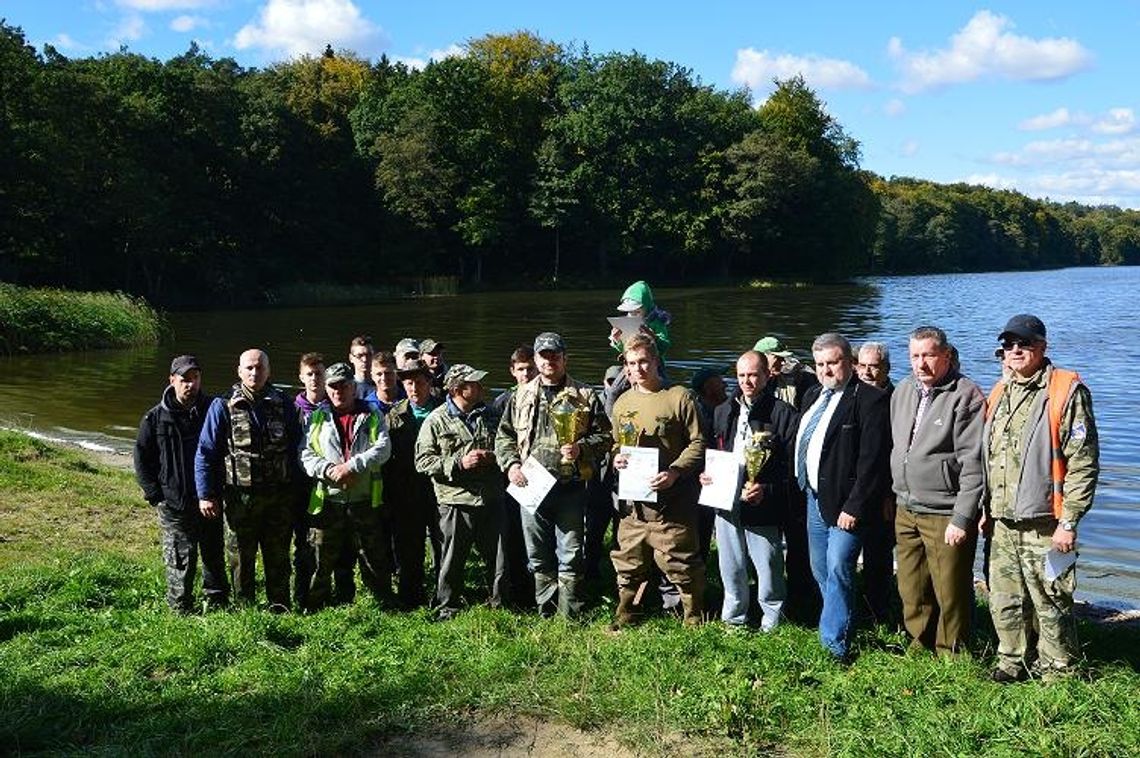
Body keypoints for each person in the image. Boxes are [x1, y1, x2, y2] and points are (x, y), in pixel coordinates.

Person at [984, 314, 1099, 682]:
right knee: (1005, 598)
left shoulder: (1066, 391)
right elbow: (990, 455)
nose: (1016, 350)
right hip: (1003, 521)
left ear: (1042, 347)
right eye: (1009, 345)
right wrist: (987, 508)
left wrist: (1069, 522)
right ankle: (1011, 662)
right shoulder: (1000, 391)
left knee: (1052, 599)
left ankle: (1059, 671)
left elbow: (1083, 462)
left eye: (1024, 343)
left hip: (1048, 524)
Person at [496, 332, 611, 617]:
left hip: (570, 486)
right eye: (544, 356)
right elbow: (504, 435)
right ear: (535, 359)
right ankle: (546, 611)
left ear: (564, 358)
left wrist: (582, 448)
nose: (550, 361)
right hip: (530, 484)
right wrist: (511, 465)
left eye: (555, 355)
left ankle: (570, 613)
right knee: (537, 554)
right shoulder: (520, 395)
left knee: (571, 552)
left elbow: (606, 436)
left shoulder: (585, 394)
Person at [794, 333, 890, 660]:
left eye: (832, 363)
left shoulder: (869, 400)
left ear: (849, 362)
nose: (826, 370)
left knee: (838, 567)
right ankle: (842, 619)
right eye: (820, 364)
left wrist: (855, 506)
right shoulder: (811, 396)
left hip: (846, 506)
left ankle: (834, 646)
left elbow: (873, 462)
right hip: (813, 500)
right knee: (820, 568)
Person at [890, 327, 985, 654]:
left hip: (945, 512)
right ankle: (921, 644)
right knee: (911, 587)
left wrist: (962, 517)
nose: (921, 364)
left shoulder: (966, 394)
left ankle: (953, 656)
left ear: (946, 355)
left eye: (929, 355)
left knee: (950, 591)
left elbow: (973, 463)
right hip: (906, 508)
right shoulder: (902, 390)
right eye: (915, 356)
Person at [609, 334, 706, 628]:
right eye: (631, 364)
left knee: (682, 565)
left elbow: (699, 442)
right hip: (634, 506)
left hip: (672, 505)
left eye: (643, 362)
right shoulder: (623, 402)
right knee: (628, 564)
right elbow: (616, 443)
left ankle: (694, 619)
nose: (638, 369)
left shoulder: (679, 397)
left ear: (655, 361)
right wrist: (616, 458)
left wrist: (675, 471)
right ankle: (626, 615)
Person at [195, 349, 301, 611]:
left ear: (268, 371)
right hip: (239, 497)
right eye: (250, 368)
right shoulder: (222, 405)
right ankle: (246, 609)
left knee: (278, 555)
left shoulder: (285, 404)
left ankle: (280, 606)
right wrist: (205, 493)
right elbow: (206, 451)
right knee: (241, 557)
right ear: (239, 371)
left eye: (260, 368)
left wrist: (299, 490)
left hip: (279, 496)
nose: (255, 373)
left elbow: (298, 448)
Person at [700, 351, 797, 632]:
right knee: (730, 566)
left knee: (768, 567)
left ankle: (773, 623)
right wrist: (706, 475)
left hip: (764, 503)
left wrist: (766, 489)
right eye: (742, 375)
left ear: (767, 376)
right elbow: (712, 452)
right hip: (725, 500)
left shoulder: (783, 414)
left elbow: (790, 468)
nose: (747, 381)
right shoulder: (723, 410)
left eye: (754, 375)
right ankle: (734, 620)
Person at [134, 355, 228, 613]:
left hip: (209, 497)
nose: (190, 384)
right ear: (172, 380)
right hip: (174, 502)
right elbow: (142, 459)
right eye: (185, 379)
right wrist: (156, 495)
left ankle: (218, 604)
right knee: (180, 559)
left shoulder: (213, 409)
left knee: (214, 554)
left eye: (195, 378)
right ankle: (180, 609)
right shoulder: (154, 418)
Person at [415, 364, 508, 620]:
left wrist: (493, 457)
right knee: (452, 559)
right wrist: (458, 463)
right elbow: (422, 462)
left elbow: (510, 447)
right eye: (474, 384)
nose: (481, 388)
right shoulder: (436, 419)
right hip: (455, 500)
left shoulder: (492, 415)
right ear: (457, 389)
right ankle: (447, 605)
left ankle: (499, 603)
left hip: (491, 497)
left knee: (498, 557)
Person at [299, 362, 393, 611]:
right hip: (328, 502)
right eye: (333, 386)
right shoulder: (316, 417)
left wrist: (352, 467)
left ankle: (384, 607)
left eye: (344, 385)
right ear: (327, 389)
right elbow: (305, 455)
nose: (339, 390)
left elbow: (383, 449)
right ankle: (313, 607)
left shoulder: (373, 414)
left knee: (373, 558)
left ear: (354, 387)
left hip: (364, 501)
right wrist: (330, 470)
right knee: (320, 559)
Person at [756, 335, 821, 623]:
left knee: (798, 536)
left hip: (792, 472)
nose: (781, 363)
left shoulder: (801, 381)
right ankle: (764, 592)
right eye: (776, 358)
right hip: (764, 476)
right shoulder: (752, 384)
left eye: (783, 358)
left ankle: (801, 591)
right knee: (766, 538)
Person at [384, 359, 443, 608]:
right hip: (406, 490)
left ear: (429, 382)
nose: (414, 388)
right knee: (409, 545)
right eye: (408, 383)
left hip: (440, 487)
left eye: (419, 382)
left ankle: (444, 595)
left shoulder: (444, 410)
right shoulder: (394, 415)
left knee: (443, 543)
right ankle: (410, 596)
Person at [491, 345, 538, 608]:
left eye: (530, 368)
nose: (526, 374)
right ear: (512, 371)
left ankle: (539, 587)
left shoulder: (547, 396)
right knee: (513, 535)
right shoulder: (502, 402)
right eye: (521, 369)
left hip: (543, 478)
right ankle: (518, 587)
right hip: (512, 477)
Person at [855, 340, 898, 625]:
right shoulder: (848, 395)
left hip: (883, 492)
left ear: (886, 369)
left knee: (879, 556)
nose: (869, 372)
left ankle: (877, 613)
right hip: (852, 490)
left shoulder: (896, 400)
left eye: (875, 367)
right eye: (864, 366)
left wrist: (889, 496)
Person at [753, 336, 818, 412]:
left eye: (783, 359)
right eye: (778, 358)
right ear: (762, 358)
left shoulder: (801, 379)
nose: (783, 362)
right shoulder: (745, 385)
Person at [348, 335, 376, 400]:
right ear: (351, 358)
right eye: (359, 356)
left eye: (369, 355)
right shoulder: (347, 387)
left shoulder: (383, 383)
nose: (365, 359)